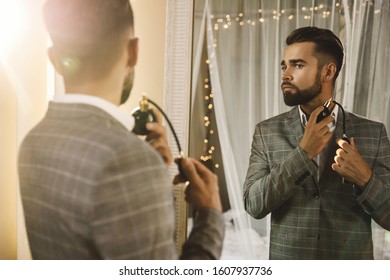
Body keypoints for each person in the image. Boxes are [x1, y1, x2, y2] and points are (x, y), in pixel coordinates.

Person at [18, 0, 224, 260]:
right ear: (134, 51)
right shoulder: (129, 159)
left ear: (54, 60)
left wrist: (151, 178)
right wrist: (210, 216)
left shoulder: (33, 141)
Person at [243, 26, 390, 259]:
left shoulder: (373, 133)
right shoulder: (267, 132)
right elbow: (253, 205)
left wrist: (365, 178)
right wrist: (303, 153)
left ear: (328, 72)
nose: (285, 74)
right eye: (284, 66)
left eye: (297, 65)